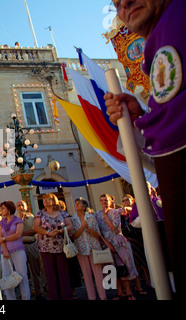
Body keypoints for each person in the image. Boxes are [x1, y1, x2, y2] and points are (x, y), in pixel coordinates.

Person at [105, 0, 185, 299]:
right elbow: (170, 133)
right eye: (115, 3)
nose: (123, 4)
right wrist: (141, 115)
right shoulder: (155, 48)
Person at [95, 194, 139, 300]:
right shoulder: (96, 214)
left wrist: (106, 216)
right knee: (112, 269)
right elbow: (99, 231)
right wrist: (107, 244)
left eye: (106, 200)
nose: (104, 202)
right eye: (102, 200)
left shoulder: (115, 212)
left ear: (111, 201)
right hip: (106, 244)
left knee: (124, 266)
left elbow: (114, 227)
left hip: (119, 242)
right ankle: (119, 292)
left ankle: (129, 291)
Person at [33, 193, 73, 300]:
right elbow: (36, 227)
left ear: (54, 200)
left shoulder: (62, 213)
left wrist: (60, 231)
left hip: (61, 245)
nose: (45, 201)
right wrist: (47, 232)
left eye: (48, 199)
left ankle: (66, 296)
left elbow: (70, 225)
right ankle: (54, 296)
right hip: (46, 246)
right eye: (44, 199)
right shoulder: (40, 213)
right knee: (50, 273)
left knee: (63, 272)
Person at [70, 198, 107, 300]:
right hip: (81, 250)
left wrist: (87, 228)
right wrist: (81, 228)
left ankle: (103, 297)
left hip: (93, 248)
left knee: (98, 275)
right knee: (86, 276)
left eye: (78, 203)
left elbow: (97, 234)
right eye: (75, 203)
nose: (76, 205)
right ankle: (92, 297)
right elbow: (73, 236)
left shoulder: (91, 217)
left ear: (84, 206)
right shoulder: (73, 219)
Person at [0, 201, 31, 300]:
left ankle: (26, 297)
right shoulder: (1, 222)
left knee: (22, 274)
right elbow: (0, 238)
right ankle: (10, 298)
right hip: (5, 252)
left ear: (9, 209)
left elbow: (18, 234)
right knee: (7, 276)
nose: (1, 210)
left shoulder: (18, 220)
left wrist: (4, 239)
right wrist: (5, 250)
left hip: (18, 250)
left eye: (3, 208)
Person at [120, 194, 151, 293]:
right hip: (130, 239)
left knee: (144, 260)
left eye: (127, 200)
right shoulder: (123, 214)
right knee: (135, 262)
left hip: (140, 237)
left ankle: (148, 279)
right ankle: (139, 285)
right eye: (124, 201)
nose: (126, 202)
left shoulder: (138, 209)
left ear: (132, 200)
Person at [16, 200, 45, 299]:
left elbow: (35, 230)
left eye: (22, 205)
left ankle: (38, 291)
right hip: (20, 247)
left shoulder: (32, 217)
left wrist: (21, 234)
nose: (21, 207)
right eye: (19, 205)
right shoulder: (15, 220)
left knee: (35, 270)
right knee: (21, 272)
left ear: (26, 206)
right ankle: (24, 293)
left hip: (31, 245)